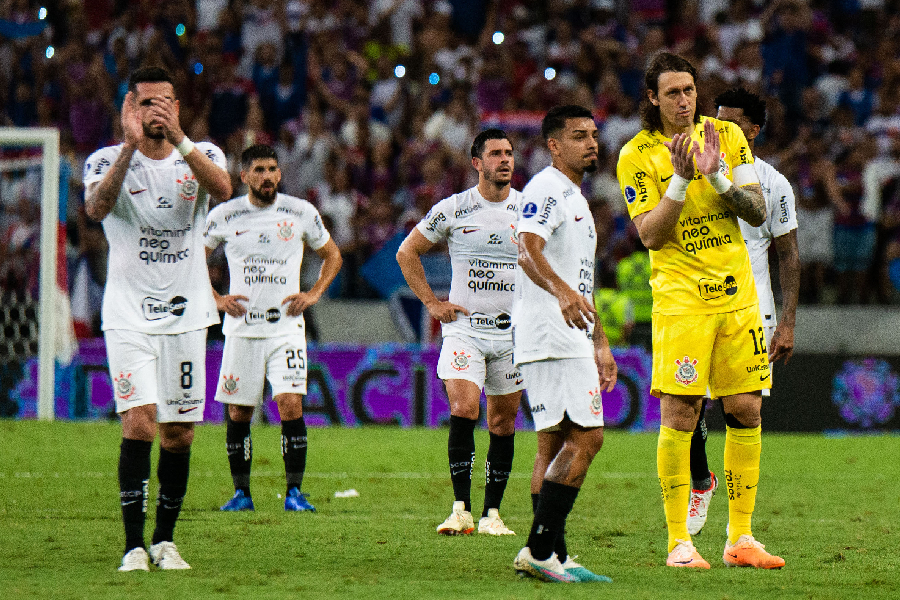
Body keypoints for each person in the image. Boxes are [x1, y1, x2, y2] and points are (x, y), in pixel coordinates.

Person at [617, 53, 784, 569]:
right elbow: (649, 234)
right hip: (682, 302)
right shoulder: (636, 155)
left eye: (690, 89)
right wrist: (681, 180)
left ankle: (740, 538)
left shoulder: (726, 137)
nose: (685, 100)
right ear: (652, 98)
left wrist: (716, 179)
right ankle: (679, 544)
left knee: (746, 409)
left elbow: (757, 212)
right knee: (682, 414)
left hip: (737, 298)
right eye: (673, 93)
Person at [83, 66, 232, 572]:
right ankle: (132, 546)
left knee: (179, 434)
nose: (157, 111)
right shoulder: (105, 160)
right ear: (130, 107)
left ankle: (165, 541)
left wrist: (180, 138)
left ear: (177, 106)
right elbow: (96, 208)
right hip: (127, 316)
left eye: (165, 102)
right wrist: (128, 148)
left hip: (188, 315)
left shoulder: (202, 154)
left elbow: (225, 189)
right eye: (147, 103)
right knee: (141, 423)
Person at [396, 129, 523, 536]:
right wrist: (432, 304)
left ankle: (493, 515)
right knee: (465, 407)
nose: (505, 160)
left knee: (503, 424)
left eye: (509, 153)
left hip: (512, 335)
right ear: (477, 163)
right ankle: (460, 510)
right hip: (463, 330)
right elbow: (407, 251)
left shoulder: (528, 209)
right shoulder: (453, 208)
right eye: (496, 154)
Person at [686, 87, 800, 537]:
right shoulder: (692, 171)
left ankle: (740, 528)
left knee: (741, 411)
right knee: (689, 404)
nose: (713, 129)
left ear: (751, 131)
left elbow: (789, 254)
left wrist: (788, 321)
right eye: (712, 120)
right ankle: (700, 480)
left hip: (752, 311)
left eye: (727, 123)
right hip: (697, 302)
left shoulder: (773, 184)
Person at [511, 105, 618, 583]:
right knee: (588, 438)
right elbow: (526, 245)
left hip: (567, 333)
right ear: (554, 145)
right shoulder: (546, 188)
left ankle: (554, 554)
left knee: (552, 443)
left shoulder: (574, 196)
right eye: (579, 136)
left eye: (593, 135)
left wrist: (601, 341)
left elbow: (581, 280)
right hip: (551, 332)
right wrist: (560, 294)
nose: (592, 143)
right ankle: (538, 550)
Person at [205, 144, 342, 514]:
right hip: (242, 329)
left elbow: (333, 255)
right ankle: (241, 494)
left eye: (272, 169)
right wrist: (215, 298)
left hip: (285, 329)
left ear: (280, 174)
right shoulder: (225, 215)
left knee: (290, 404)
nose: (267, 176)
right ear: (244, 175)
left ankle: (294, 493)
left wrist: (313, 294)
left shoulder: (300, 212)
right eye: (259, 170)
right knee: (239, 413)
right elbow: (193, 258)